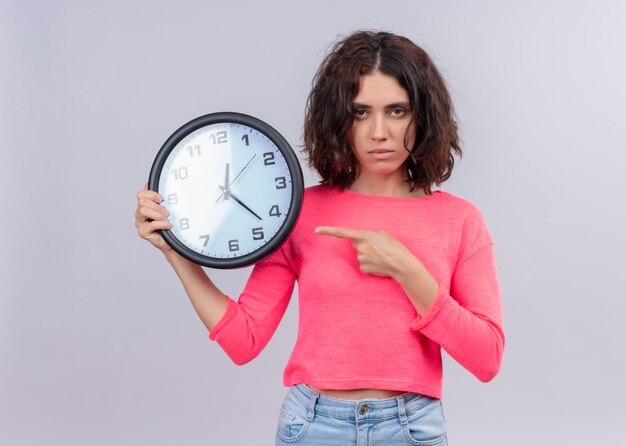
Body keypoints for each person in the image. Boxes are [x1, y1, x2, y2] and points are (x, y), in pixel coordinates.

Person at [135, 30, 504, 445]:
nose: (378, 132)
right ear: (337, 119)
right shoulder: (300, 212)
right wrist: (178, 254)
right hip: (312, 426)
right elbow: (244, 340)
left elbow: (487, 358)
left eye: (397, 111)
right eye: (361, 112)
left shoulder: (460, 220)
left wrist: (407, 270)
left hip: (411, 428)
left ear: (423, 116)